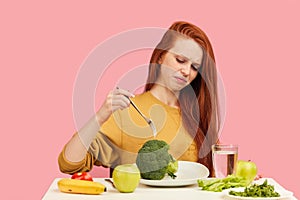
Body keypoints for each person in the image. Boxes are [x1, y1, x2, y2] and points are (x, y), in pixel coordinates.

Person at [58, 21, 221, 177]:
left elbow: (216, 174)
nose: (186, 71)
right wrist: (101, 115)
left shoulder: (196, 117)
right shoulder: (126, 112)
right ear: (160, 57)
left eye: (194, 67)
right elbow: (69, 163)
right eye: (180, 60)